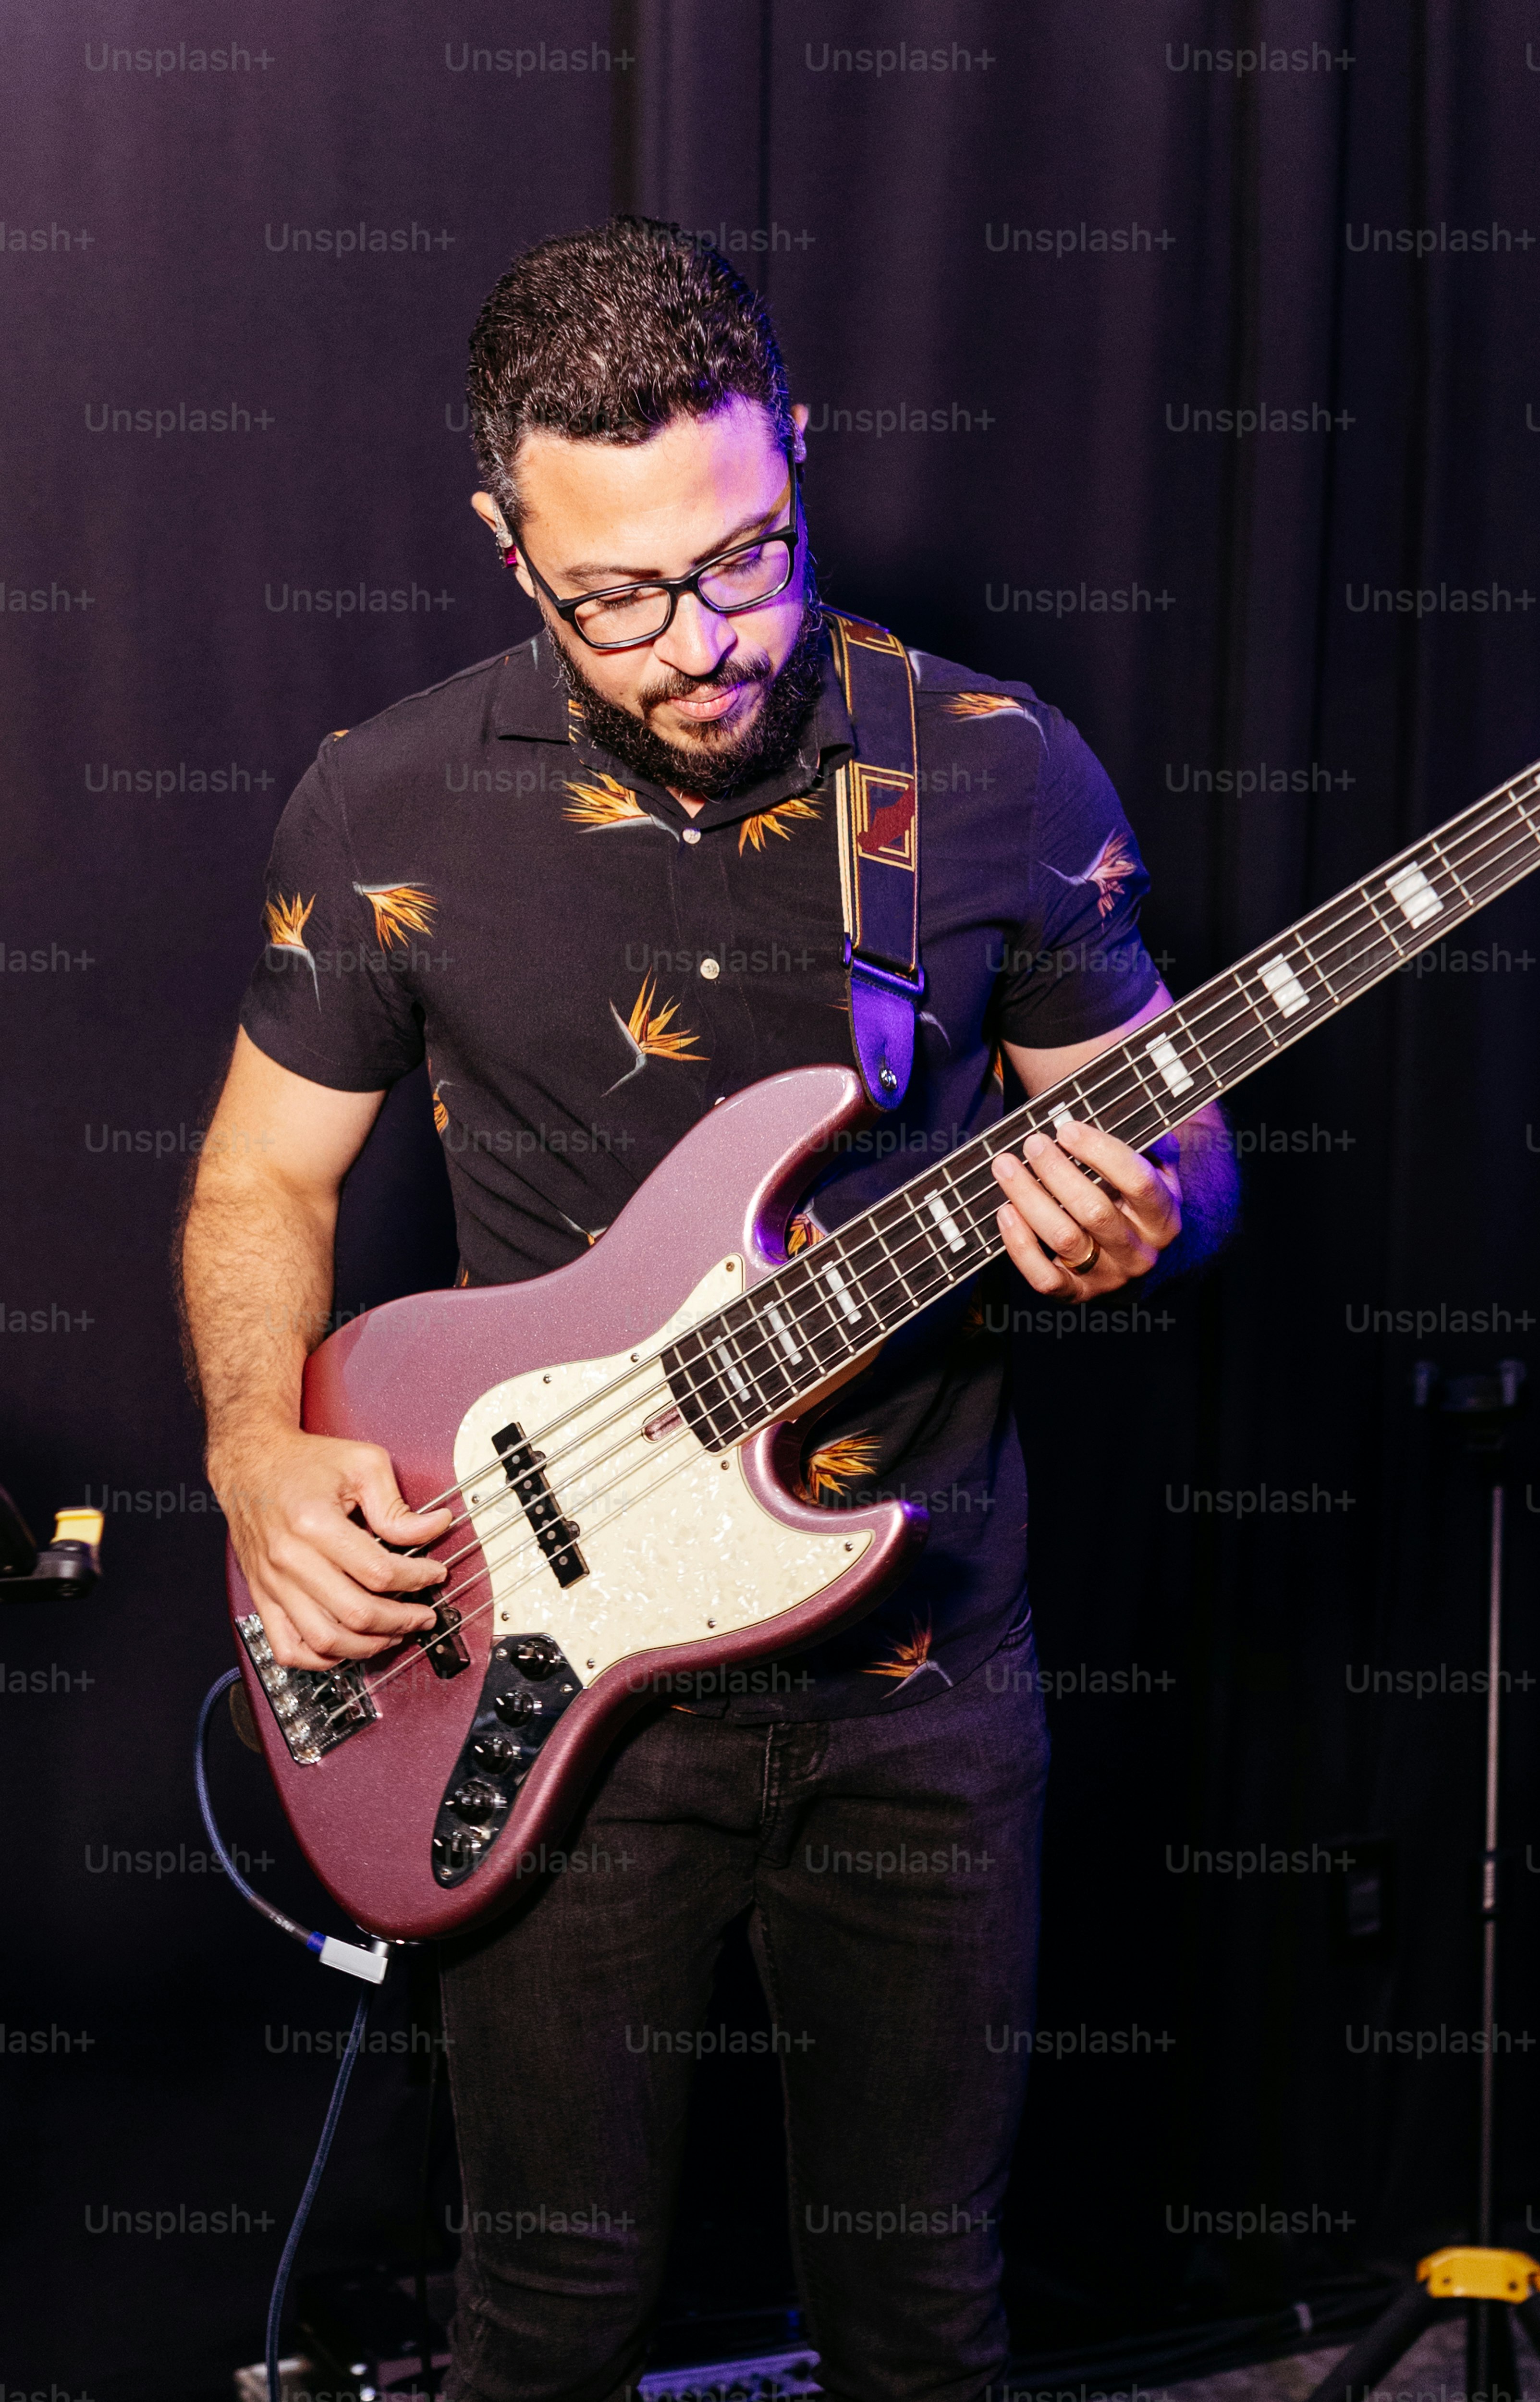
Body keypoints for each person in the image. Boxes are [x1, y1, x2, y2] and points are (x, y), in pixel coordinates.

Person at [181, 216, 1236, 2402]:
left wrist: (1148, 1210)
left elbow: (1181, 1144)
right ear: (507, 542)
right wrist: (254, 1445)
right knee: (551, 2318)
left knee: (923, 2317)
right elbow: (262, 1177)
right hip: (552, 1672)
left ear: (801, 461)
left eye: (748, 557)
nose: (707, 643)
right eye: (622, 597)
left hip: (922, 1666)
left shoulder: (996, 771)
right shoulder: (388, 797)